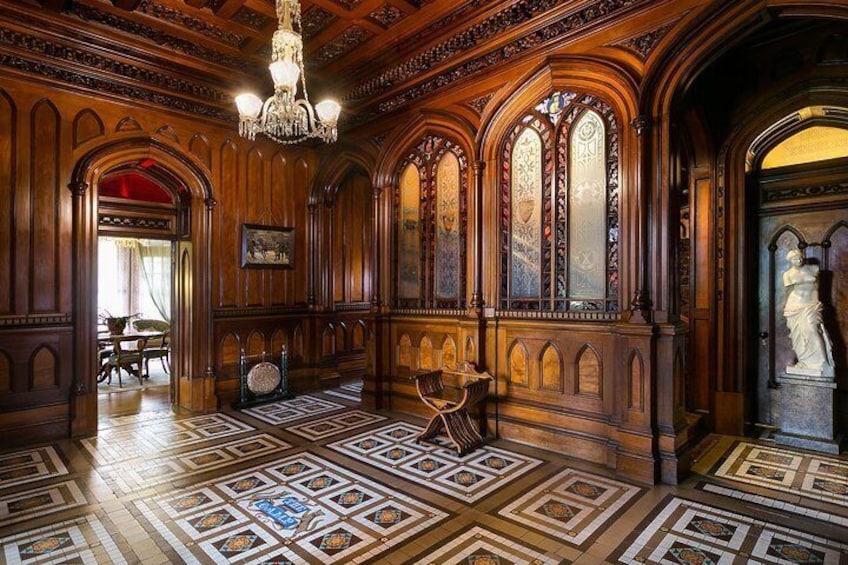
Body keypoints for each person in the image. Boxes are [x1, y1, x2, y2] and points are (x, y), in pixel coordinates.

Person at [782, 248, 835, 373]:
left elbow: (818, 289)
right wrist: (788, 311)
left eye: (800, 257)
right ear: (790, 261)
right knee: (799, 336)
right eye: (795, 259)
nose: (799, 260)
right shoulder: (787, 275)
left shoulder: (814, 269)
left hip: (811, 306)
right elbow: (787, 293)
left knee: (813, 330)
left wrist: (815, 304)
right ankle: (804, 362)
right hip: (795, 307)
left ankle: (824, 363)